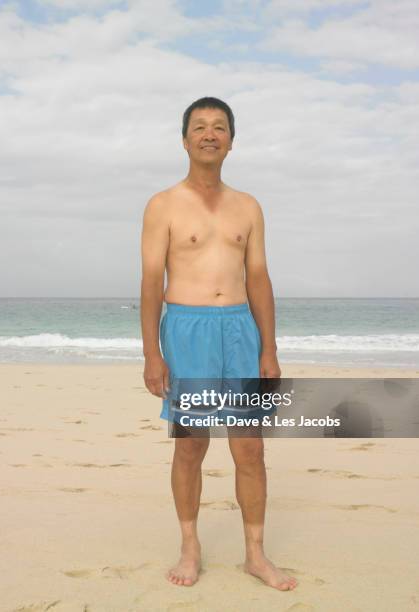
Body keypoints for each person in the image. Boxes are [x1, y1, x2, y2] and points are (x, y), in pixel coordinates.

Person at [140, 97, 297, 591]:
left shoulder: (248, 206)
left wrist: (269, 347)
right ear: (184, 138)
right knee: (191, 445)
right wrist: (151, 353)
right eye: (200, 127)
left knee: (249, 448)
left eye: (220, 127)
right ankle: (190, 546)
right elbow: (149, 282)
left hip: (240, 328)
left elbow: (259, 277)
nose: (210, 134)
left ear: (231, 139)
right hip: (187, 329)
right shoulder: (163, 204)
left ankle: (255, 553)